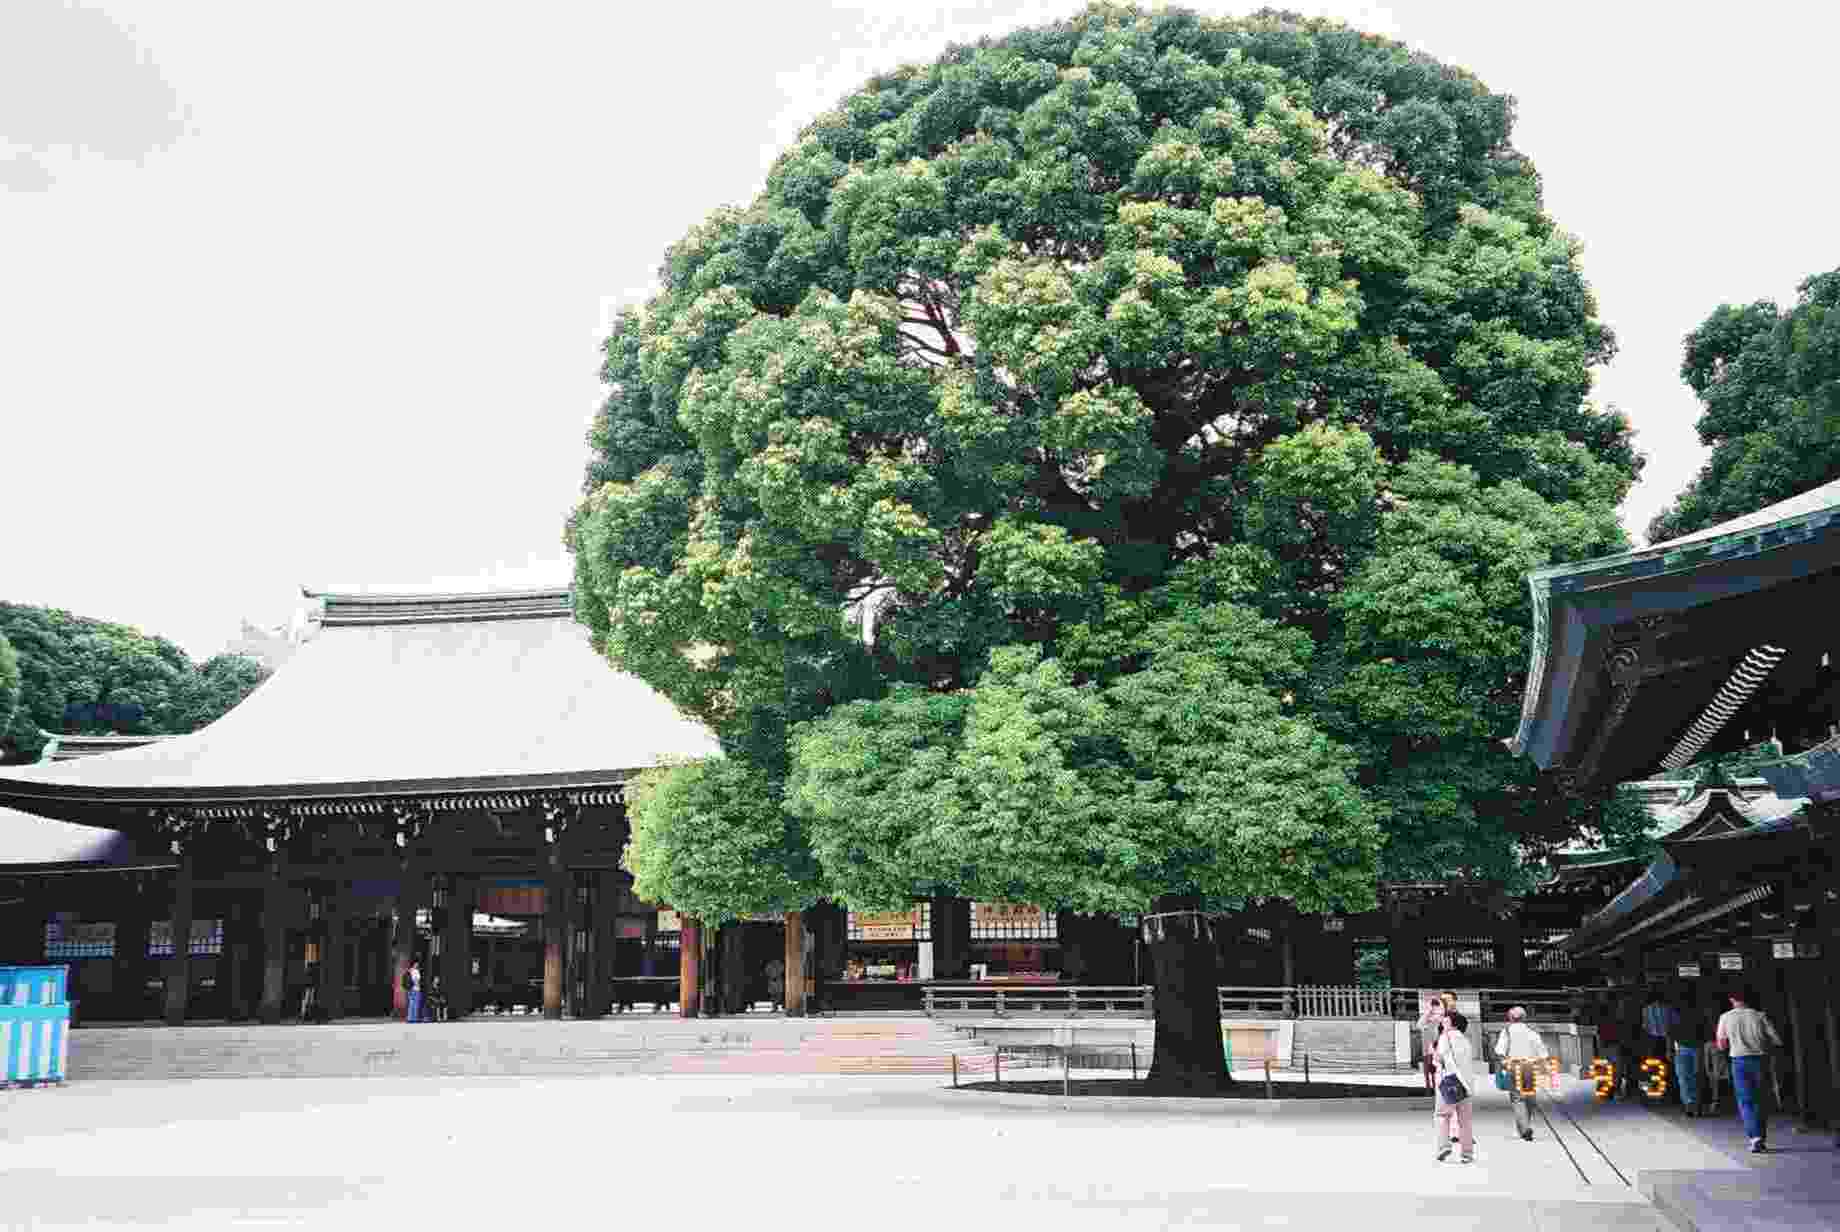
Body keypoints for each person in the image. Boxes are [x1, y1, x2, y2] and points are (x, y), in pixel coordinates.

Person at [1717, 986, 1784, 1154]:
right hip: (1760, 1060)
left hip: (1738, 1061)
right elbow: (1776, 1040)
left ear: (1732, 999)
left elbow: (1721, 1044)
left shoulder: (1725, 1017)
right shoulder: (1759, 1016)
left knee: (1745, 1100)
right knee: (1760, 1099)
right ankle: (1761, 1136)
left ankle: (1754, 1137)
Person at [1494, 1005, 1548, 1142]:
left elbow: (1500, 1052)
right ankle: (1525, 1127)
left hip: (1514, 1066)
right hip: (1530, 1067)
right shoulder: (1532, 1032)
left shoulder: (1506, 1032)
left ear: (1510, 1018)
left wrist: (1505, 1064)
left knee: (1517, 1099)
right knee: (1529, 1098)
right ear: (1525, 1017)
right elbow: (1543, 1054)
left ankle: (1524, 1128)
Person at [1433, 1011, 1476, 1164]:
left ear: (1453, 1024)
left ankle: (1444, 1146)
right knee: (1465, 1121)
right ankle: (1467, 1154)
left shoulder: (1445, 1037)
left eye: (1445, 1021)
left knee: (1442, 1115)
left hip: (1450, 1082)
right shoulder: (1466, 1041)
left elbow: (1439, 1058)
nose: (1442, 1023)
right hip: (1467, 1085)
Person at [1419, 995, 1447, 1094]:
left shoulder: (1441, 1017)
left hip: (1439, 1046)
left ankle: (1438, 1087)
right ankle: (1428, 1087)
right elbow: (1419, 1024)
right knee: (1428, 1068)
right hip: (1428, 1047)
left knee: (1438, 1068)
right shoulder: (1426, 1018)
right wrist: (1429, 1012)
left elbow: (1442, 1018)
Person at [403, 958, 424, 1024]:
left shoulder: (409, 970)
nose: (418, 965)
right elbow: (416, 980)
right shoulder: (415, 971)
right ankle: (414, 1018)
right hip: (415, 989)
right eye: (417, 963)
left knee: (411, 1004)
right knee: (415, 1004)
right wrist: (418, 985)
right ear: (415, 964)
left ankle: (410, 1018)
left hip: (410, 989)